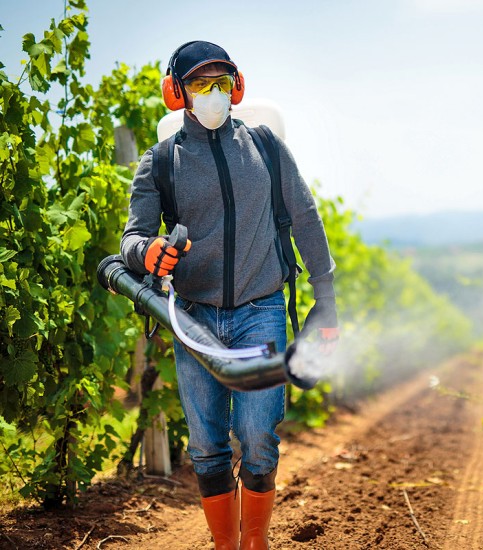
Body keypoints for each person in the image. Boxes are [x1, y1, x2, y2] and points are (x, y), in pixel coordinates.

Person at [120, 41, 338, 550]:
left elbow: (305, 218)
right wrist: (147, 253)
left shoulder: (265, 147)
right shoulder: (160, 163)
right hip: (193, 321)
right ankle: (227, 546)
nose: (214, 94)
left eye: (222, 82)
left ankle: (256, 543)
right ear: (178, 94)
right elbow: (131, 241)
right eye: (201, 84)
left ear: (236, 87)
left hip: (259, 313)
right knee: (207, 448)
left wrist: (324, 299)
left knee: (260, 436)